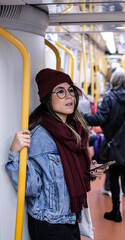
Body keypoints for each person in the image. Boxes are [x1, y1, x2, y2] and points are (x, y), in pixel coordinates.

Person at [5, 69, 106, 240]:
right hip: (50, 225)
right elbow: (30, 187)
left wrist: (90, 172)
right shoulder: (41, 137)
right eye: (60, 91)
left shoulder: (74, 131)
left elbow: (67, 176)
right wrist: (15, 154)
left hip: (70, 218)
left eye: (71, 90)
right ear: (47, 98)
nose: (69, 96)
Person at [82, 67, 125, 222]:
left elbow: (98, 119)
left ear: (113, 81)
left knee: (114, 175)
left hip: (113, 144)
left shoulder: (109, 98)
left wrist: (79, 115)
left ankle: (116, 211)